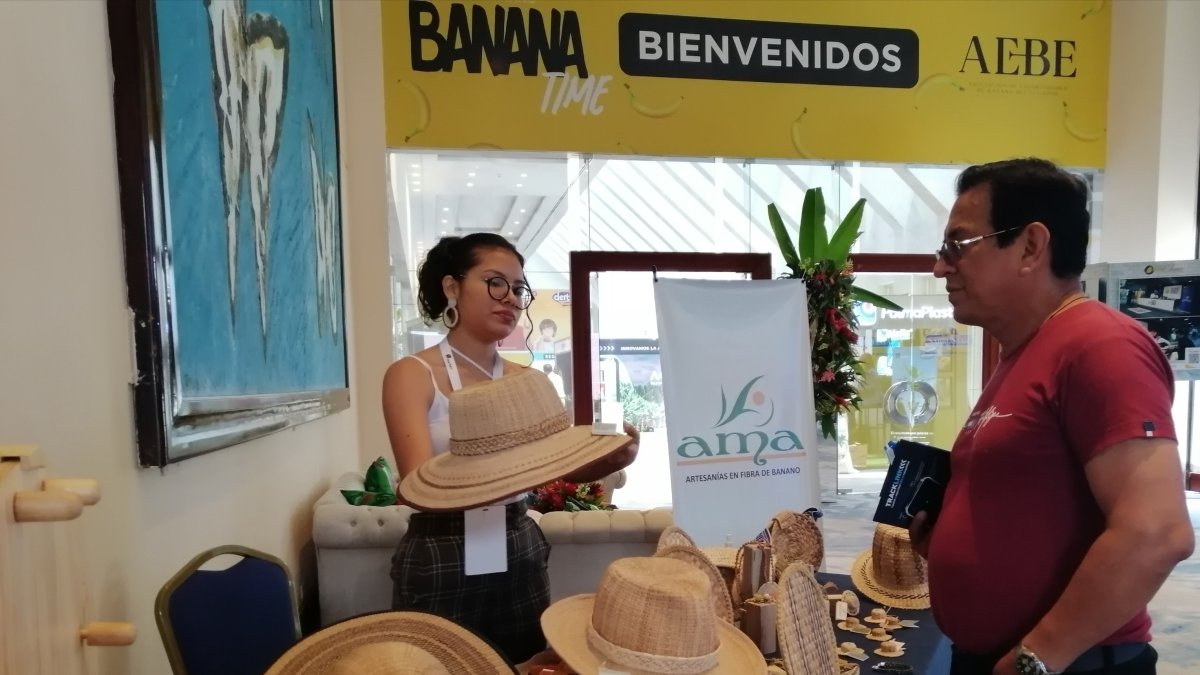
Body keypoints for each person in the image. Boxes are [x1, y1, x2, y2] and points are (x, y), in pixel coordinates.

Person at [909, 158, 1194, 675]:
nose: (941, 267)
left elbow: (1156, 532)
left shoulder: (1099, 345)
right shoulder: (1024, 353)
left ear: (1030, 247)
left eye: (957, 245)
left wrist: (1035, 659)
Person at [381, 233, 638, 664]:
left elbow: (549, 469)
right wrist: (510, 474)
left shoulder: (526, 382)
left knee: (525, 662)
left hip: (518, 542)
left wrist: (605, 460)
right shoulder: (412, 374)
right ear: (451, 288)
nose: (512, 299)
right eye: (495, 282)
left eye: (519, 289)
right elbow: (415, 483)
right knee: (435, 665)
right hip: (443, 549)